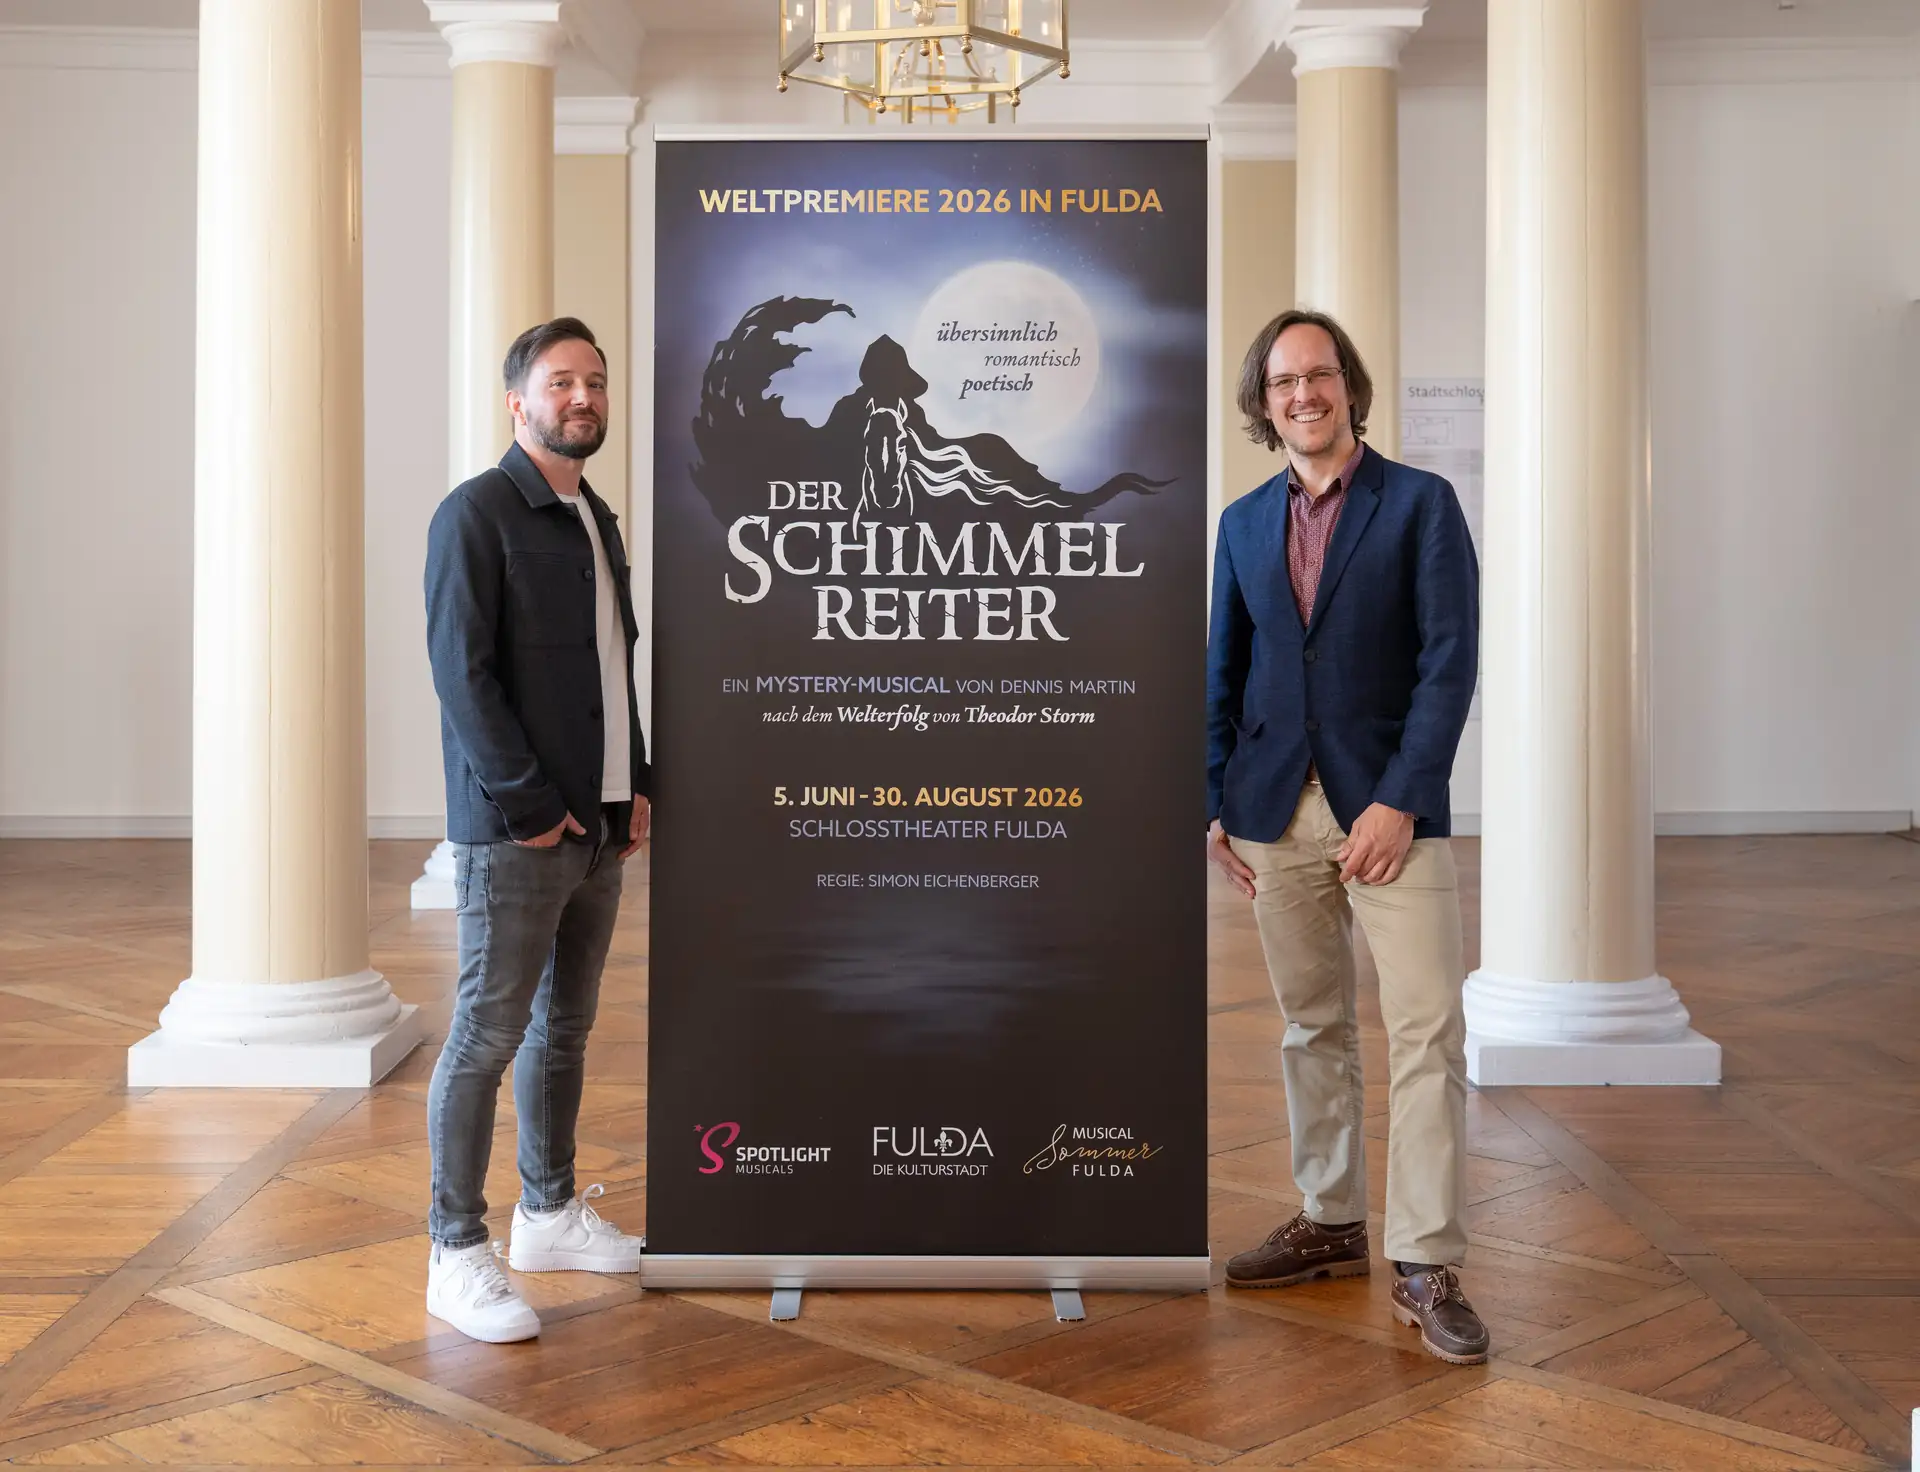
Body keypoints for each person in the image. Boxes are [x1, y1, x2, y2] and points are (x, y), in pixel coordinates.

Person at [1206, 308, 1486, 1364]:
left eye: (1318, 374)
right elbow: (1223, 672)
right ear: (1264, 401)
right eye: (1283, 382)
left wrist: (1401, 799)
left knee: (1427, 1031)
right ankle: (1330, 1220)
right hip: (1275, 813)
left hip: (1390, 814)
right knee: (1311, 1025)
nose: (1303, 395)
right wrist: (1213, 804)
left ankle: (1425, 1258)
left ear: (1349, 387)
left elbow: (1449, 662)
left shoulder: (1419, 503)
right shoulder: (1241, 523)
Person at [421, 317, 650, 1343]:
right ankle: (454, 1249)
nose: (582, 397)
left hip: (599, 824)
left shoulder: (596, 517)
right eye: (561, 382)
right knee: (486, 1033)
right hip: (518, 832)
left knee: (564, 1028)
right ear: (517, 402)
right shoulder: (475, 514)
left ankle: (548, 1214)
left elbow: (612, 669)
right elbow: (461, 675)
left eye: (594, 381)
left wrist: (636, 784)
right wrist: (529, 805)